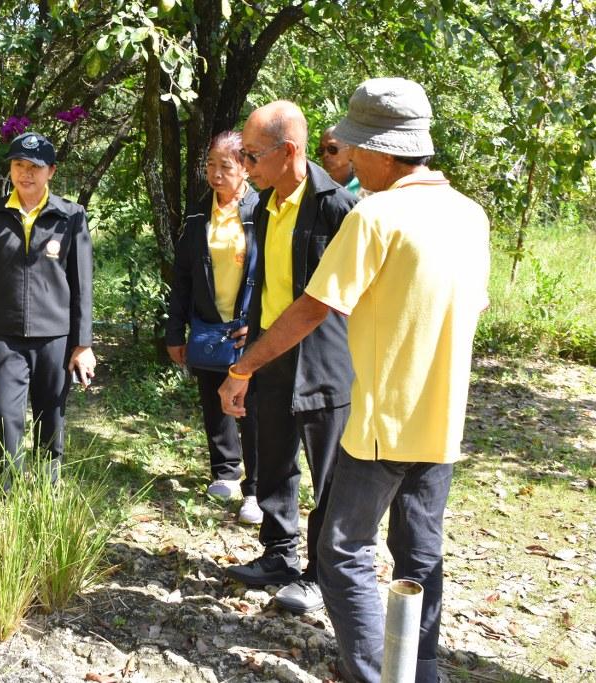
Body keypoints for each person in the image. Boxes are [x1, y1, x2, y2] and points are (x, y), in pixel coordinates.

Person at [219, 78, 490, 682]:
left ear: (384, 150)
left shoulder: (375, 214)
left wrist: (242, 367)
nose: (347, 156)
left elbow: (312, 309)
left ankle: (376, 674)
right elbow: (469, 308)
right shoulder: (470, 215)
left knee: (341, 552)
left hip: (380, 423)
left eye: (356, 146)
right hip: (443, 422)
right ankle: (421, 670)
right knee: (419, 555)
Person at [223, 101, 356, 615]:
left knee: (331, 475)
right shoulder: (260, 206)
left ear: (290, 152)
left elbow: (335, 300)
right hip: (270, 353)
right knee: (274, 459)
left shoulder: (335, 207)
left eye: (252, 156)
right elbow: (266, 283)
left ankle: (321, 575)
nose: (246, 167)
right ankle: (278, 555)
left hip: (326, 361)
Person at [0, 131, 94, 484]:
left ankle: (47, 487)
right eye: (19, 165)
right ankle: (8, 488)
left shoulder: (70, 216)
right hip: (5, 336)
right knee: (6, 416)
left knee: (51, 416)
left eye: (35, 167)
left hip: (55, 337)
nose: (26, 173)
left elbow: (83, 284)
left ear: (51, 171)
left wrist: (82, 345)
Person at [165, 131, 261, 520]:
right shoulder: (197, 214)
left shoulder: (262, 211)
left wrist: (257, 324)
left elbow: (273, 274)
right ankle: (225, 471)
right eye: (210, 165)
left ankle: (255, 489)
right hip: (208, 324)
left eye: (226, 166)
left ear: (245, 170)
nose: (216, 174)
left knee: (252, 405)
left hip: (248, 328)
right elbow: (183, 278)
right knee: (213, 398)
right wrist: (175, 331)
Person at [316, 126, 361, 195]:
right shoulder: (317, 187)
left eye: (332, 149)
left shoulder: (365, 188)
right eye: (321, 150)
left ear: (350, 150)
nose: (325, 155)